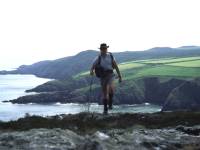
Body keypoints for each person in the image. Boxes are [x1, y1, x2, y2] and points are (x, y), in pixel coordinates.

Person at [90, 43, 122, 114]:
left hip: (111, 74)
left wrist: (120, 76)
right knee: (104, 93)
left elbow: (116, 66)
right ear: (100, 49)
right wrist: (91, 71)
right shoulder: (98, 58)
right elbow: (92, 66)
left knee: (111, 88)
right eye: (102, 49)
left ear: (107, 49)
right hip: (103, 76)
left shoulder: (110, 56)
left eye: (105, 48)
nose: (104, 50)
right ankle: (105, 109)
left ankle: (110, 103)